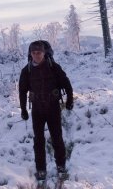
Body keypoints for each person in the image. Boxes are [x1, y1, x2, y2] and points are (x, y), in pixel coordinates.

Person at [19, 40, 73, 181]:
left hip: (53, 107)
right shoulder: (27, 71)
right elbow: (22, 91)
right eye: (34, 53)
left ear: (44, 53)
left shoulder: (53, 67)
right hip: (37, 109)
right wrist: (23, 109)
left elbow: (67, 83)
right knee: (38, 140)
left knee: (57, 138)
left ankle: (61, 165)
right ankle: (41, 169)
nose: (36, 55)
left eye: (39, 53)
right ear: (30, 54)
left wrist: (70, 100)